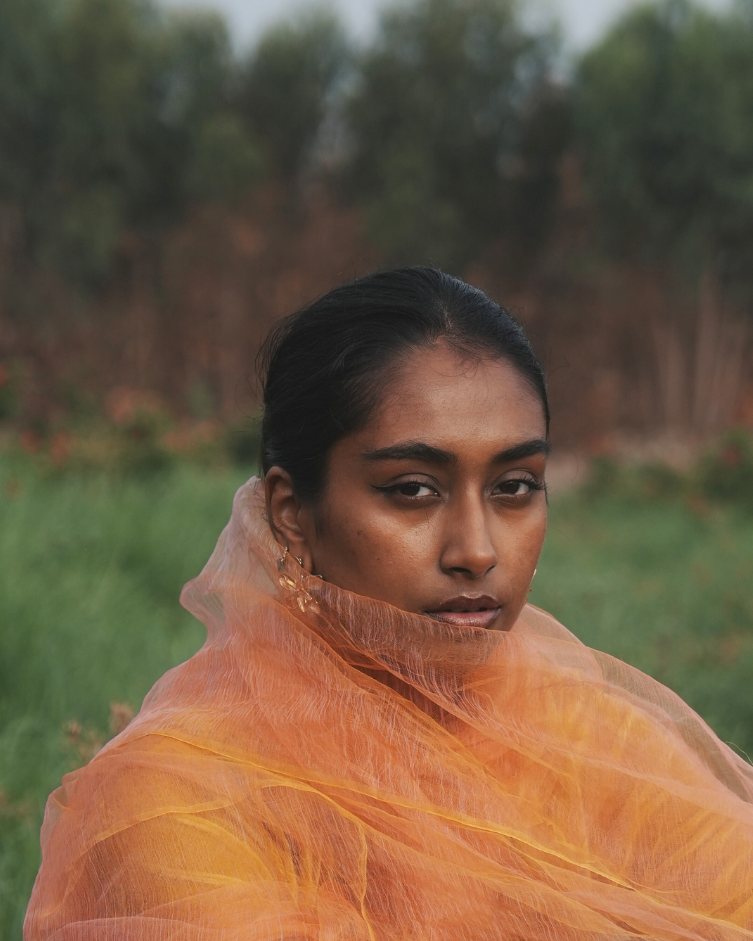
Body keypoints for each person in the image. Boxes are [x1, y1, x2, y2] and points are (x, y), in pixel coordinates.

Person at [25, 268, 753, 940]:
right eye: (412, 489)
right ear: (290, 513)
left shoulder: (579, 732)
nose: (475, 549)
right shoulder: (180, 794)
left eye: (514, 486)